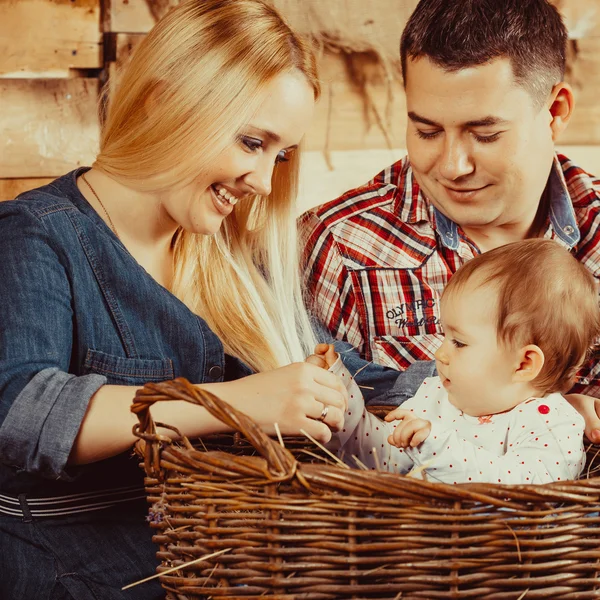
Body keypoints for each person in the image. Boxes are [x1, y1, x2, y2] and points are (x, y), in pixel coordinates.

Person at [0, 1, 351, 598]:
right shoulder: (34, 236)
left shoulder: (234, 260)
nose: (265, 182)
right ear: (164, 102)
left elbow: (352, 376)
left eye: (281, 155)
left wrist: (528, 396)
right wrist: (232, 403)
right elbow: (19, 412)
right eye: (251, 141)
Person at [301, 0, 600, 440]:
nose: (453, 166)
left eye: (485, 134)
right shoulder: (341, 245)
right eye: (427, 131)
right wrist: (544, 411)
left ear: (555, 112)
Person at [307, 239, 599, 484]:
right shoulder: (437, 395)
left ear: (523, 364)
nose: (439, 354)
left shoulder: (552, 423)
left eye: (459, 342)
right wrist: (343, 405)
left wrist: (435, 446)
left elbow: (518, 497)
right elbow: (382, 461)